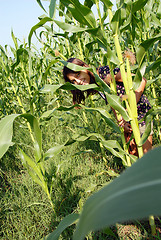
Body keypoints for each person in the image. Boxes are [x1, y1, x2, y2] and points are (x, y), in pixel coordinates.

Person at [63, 58, 153, 155]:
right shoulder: (96, 83)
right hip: (127, 120)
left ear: (84, 67)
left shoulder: (105, 73)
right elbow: (113, 102)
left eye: (78, 74)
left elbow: (141, 81)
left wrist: (127, 112)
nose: (78, 82)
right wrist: (122, 123)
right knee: (135, 157)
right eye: (74, 81)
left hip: (141, 115)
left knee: (146, 157)